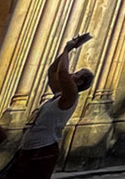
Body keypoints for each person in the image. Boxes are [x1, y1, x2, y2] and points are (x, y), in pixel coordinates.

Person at [6, 33, 92, 179]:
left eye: (77, 73)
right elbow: (53, 71)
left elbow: (62, 72)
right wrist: (68, 50)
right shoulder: (59, 95)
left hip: (43, 149)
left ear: (80, 82)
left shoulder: (71, 96)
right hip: (28, 148)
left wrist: (67, 49)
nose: (72, 73)